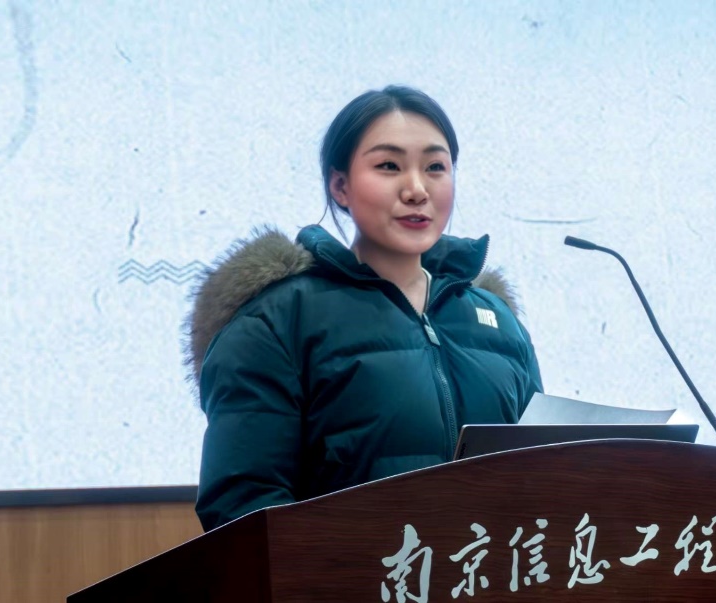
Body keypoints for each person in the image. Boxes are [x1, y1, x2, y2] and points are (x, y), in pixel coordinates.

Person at [186, 85, 543, 532]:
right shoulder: (279, 320)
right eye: (389, 166)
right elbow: (243, 503)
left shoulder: (498, 322)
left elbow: (543, 480)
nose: (416, 189)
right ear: (340, 186)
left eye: (435, 167)